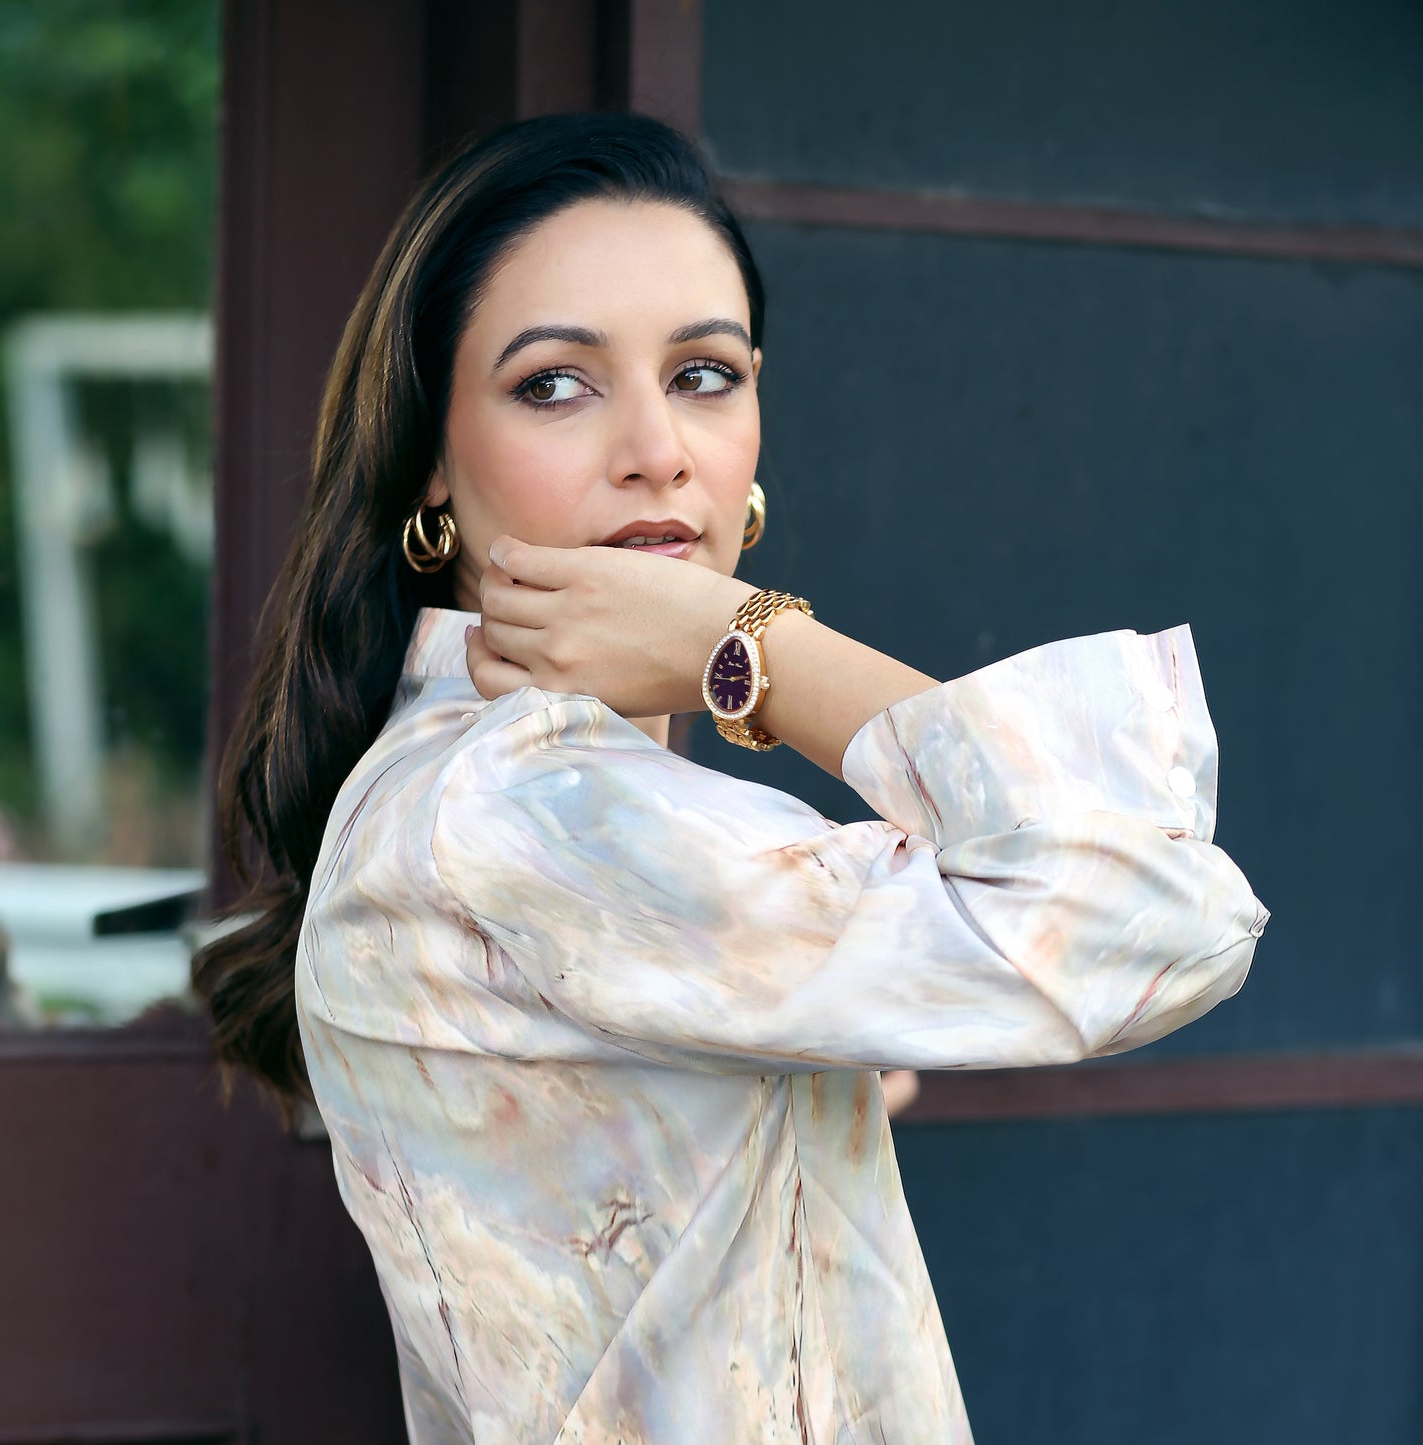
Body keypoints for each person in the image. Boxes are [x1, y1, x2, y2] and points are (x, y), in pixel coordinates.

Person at [193, 112, 1269, 1444]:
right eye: (555, 384)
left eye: (703, 373)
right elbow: (1151, 910)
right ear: (430, 463)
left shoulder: (494, 797)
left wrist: (786, 1075)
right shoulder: (518, 807)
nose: (658, 448)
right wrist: (749, 644)